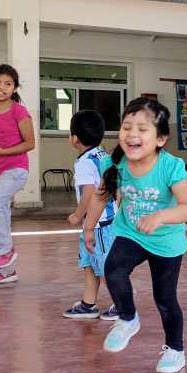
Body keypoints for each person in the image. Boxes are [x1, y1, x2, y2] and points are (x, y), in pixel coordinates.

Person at [83, 97, 187, 373]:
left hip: (166, 240)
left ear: (160, 138)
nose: (132, 134)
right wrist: (89, 226)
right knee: (113, 268)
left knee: (165, 299)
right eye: (126, 127)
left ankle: (175, 349)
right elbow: (102, 194)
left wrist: (159, 216)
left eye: (142, 129)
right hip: (131, 232)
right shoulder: (114, 163)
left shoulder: (169, 166)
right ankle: (127, 318)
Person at [0, 64, 35, 283]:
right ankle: (7, 271)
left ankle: (4, 251)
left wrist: (2, 151)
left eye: (7, 84)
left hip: (15, 169)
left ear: (14, 88)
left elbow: (30, 143)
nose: (1, 87)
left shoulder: (19, 111)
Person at [63, 110, 119, 320]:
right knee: (89, 263)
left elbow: (88, 193)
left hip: (100, 224)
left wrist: (78, 215)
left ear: (74, 138)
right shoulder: (101, 155)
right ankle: (88, 303)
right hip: (97, 223)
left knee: (104, 267)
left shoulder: (84, 162)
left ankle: (123, 304)